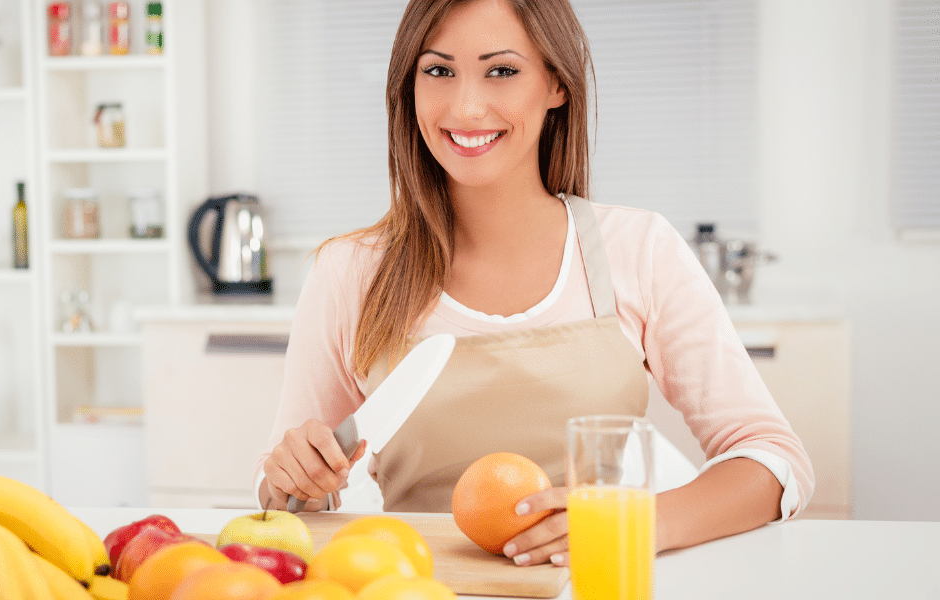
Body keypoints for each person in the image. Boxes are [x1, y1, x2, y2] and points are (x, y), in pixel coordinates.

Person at [255, 0, 814, 568]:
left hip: (591, 578)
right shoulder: (351, 270)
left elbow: (772, 458)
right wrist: (290, 478)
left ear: (556, 84)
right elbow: (288, 493)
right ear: (410, 86)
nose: (467, 107)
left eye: (502, 70)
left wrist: (638, 522)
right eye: (438, 70)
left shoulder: (639, 248)